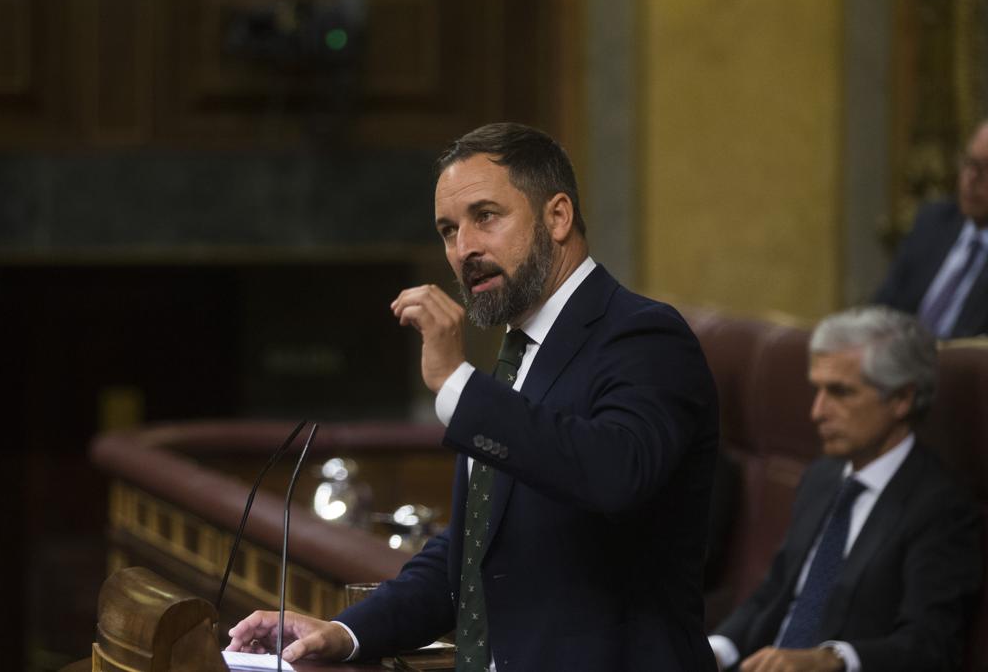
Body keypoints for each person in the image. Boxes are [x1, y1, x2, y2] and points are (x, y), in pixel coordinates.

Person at [226, 122, 720, 670]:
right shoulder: (519, 354)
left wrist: (457, 383)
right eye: (447, 230)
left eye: (485, 217)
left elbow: (615, 473)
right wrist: (346, 632)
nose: (464, 249)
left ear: (557, 217)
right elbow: (471, 553)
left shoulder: (643, 335)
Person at [709, 306, 981, 672]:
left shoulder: (939, 507)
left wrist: (832, 659)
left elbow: (930, 644)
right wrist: (715, 648)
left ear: (901, 399)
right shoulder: (820, 478)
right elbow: (773, 593)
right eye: (816, 390)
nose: (817, 412)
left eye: (840, 393)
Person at [874, 120, 988, 337]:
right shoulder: (934, 221)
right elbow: (884, 307)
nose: (972, 179)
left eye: (986, 169)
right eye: (969, 163)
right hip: (896, 362)